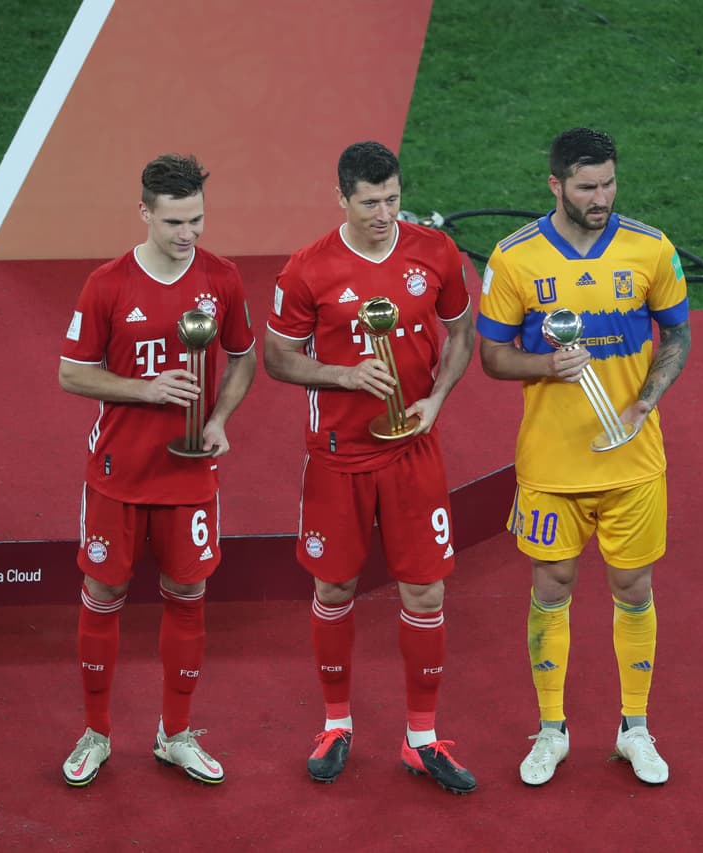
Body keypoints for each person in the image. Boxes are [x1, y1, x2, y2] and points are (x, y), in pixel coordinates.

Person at [476, 128, 691, 787]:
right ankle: (551, 730)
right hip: (551, 466)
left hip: (633, 464)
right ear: (555, 185)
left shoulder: (650, 247)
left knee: (634, 588)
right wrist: (546, 363)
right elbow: (491, 355)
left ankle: (634, 727)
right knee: (552, 588)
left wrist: (644, 402)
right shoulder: (514, 259)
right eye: (587, 187)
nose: (601, 198)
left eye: (609, 184)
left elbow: (678, 333)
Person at [263, 141, 478, 795]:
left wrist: (437, 398)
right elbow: (276, 358)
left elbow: (463, 332)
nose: (384, 213)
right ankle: (335, 724)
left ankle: (421, 738)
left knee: (427, 593)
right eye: (370, 202)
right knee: (333, 589)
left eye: (392, 199)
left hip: (413, 451)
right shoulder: (307, 270)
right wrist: (342, 374)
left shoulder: (435, 254)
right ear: (342, 199)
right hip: (340, 457)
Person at [57, 153, 256, 787]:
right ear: (145, 213)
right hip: (116, 474)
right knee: (105, 595)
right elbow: (71, 373)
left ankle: (175, 734)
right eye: (174, 221)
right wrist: (147, 389)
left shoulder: (221, 278)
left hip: (191, 477)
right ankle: (96, 733)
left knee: (189, 597)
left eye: (196, 219)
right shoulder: (108, 284)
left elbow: (244, 357)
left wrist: (220, 419)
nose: (188, 234)